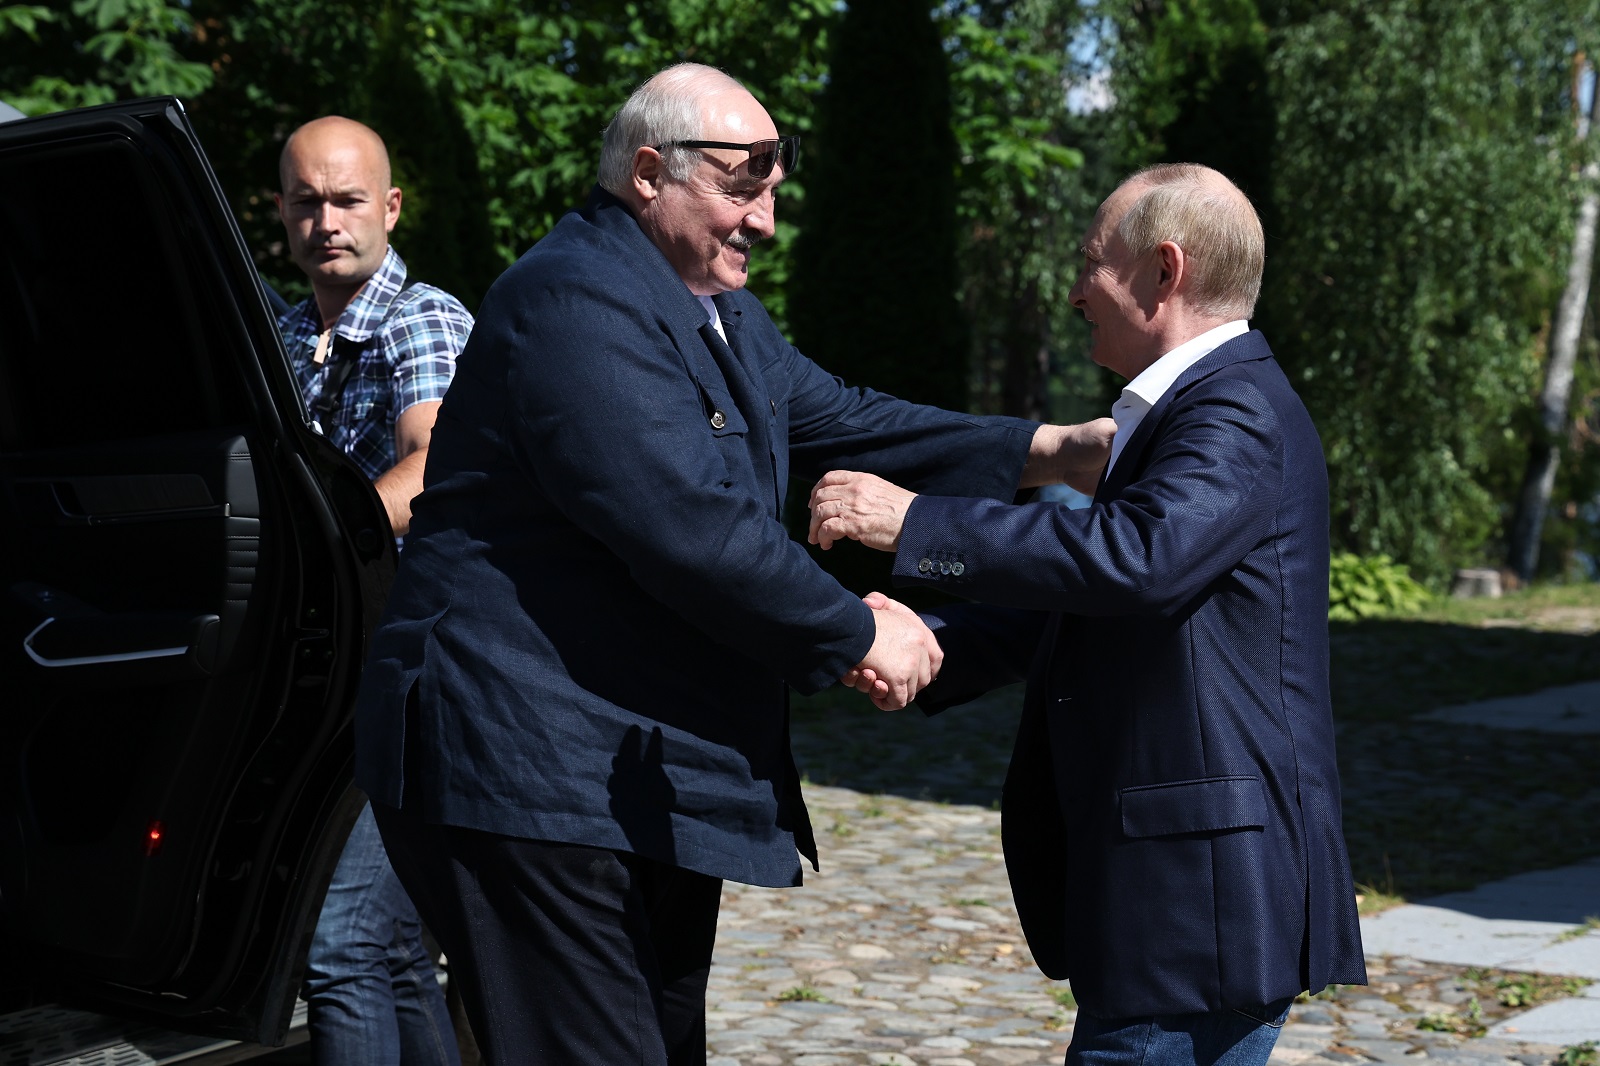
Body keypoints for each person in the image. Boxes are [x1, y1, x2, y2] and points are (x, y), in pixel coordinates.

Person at [352, 62, 1114, 1065]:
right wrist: (861, 631)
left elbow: (846, 419)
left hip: (630, 771)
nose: (763, 217)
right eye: (742, 182)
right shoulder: (574, 300)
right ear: (649, 171)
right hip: (523, 767)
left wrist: (1049, 450)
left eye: (773, 189)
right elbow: (688, 525)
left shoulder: (714, 307)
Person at [809, 164, 1367, 1066]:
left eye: (1092, 263)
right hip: (1179, 912)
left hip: (1197, 909)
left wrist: (914, 521)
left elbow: (1133, 562)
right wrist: (927, 643)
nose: (1075, 292)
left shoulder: (1236, 411)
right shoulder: (1186, 410)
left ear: (1164, 269)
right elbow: (1089, 604)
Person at [275, 115, 471, 1066]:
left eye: (348, 200)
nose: (327, 221)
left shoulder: (421, 317)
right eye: (306, 201)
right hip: (334, 672)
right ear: (280, 211)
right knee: (392, 952)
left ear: (389, 207)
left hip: (422, 672)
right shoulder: (276, 331)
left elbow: (432, 464)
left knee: (344, 945)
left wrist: (317, 542)